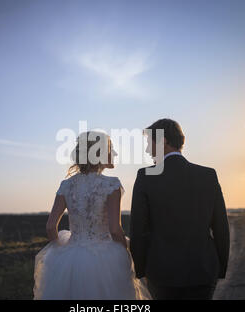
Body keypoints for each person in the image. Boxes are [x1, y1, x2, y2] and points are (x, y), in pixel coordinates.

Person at [33, 131, 151, 300]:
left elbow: (51, 227)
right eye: (111, 149)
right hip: (106, 257)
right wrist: (128, 251)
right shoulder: (111, 185)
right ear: (100, 153)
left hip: (71, 257)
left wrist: (62, 252)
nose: (115, 153)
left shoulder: (66, 185)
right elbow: (115, 230)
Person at [130, 118, 230, 300]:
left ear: (163, 141)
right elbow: (221, 226)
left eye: (149, 143)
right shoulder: (208, 175)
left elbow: (138, 229)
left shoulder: (145, 177)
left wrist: (141, 269)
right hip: (203, 271)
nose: (147, 150)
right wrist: (220, 267)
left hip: (162, 273)